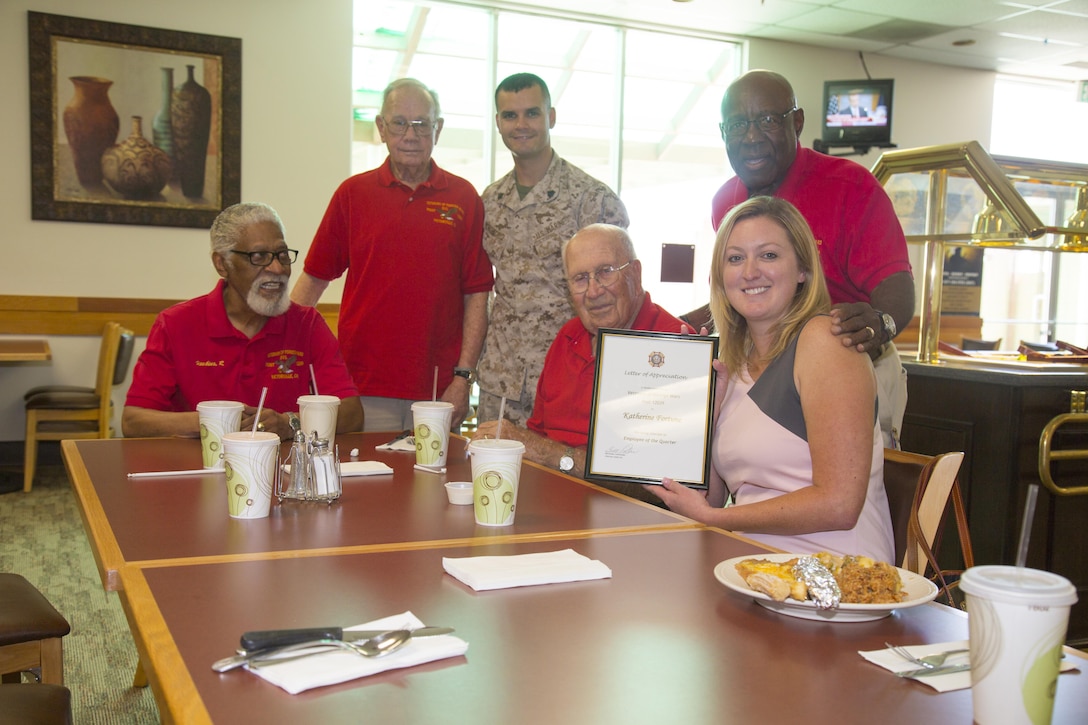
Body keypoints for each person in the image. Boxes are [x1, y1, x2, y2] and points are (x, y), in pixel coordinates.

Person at [649, 197, 894, 562]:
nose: (750, 272)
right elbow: (709, 499)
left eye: (768, 255)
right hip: (753, 567)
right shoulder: (731, 360)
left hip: (837, 576)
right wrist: (703, 415)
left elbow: (839, 504)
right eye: (735, 258)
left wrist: (718, 519)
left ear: (802, 270)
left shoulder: (825, 342)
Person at [688, 69, 914, 449]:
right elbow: (749, 286)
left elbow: (896, 287)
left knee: (854, 486)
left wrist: (881, 323)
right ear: (723, 132)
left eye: (768, 120)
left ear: (797, 122)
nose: (752, 136)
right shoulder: (725, 201)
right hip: (764, 368)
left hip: (848, 362)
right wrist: (687, 328)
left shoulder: (850, 187)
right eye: (738, 124)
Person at [291, 78, 493, 432]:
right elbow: (313, 279)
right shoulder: (352, 194)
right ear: (382, 129)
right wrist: (284, 349)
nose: (410, 135)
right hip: (362, 387)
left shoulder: (464, 198)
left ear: (438, 129)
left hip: (438, 392)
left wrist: (463, 378)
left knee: (431, 486)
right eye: (399, 123)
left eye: (422, 124)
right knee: (365, 483)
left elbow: (477, 294)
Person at [472, 224, 684, 503]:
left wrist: (550, 453)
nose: (593, 291)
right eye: (580, 279)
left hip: (619, 516)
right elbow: (537, 435)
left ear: (635, 273)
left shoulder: (674, 346)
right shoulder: (568, 336)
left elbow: (650, 483)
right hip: (549, 501)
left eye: (606, 272)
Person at [123, 202, 363, 441]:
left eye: (282, 255)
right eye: (259, 257)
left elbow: (352, 414)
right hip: (198, 467)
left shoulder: (307, 324)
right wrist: (216, 421)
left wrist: (289, 422)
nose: (277, 268)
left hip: (283, 470)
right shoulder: (176, 324)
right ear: (222, 264)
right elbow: (134, 421)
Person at [477, 73, 629, 427]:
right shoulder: (489, 202)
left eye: (532, 113)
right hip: (502, 382)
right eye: (510, 116)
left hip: (571, 376)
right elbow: (483, 290)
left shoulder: (591, 199)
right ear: (498, 122)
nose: (521, 124)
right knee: (492, 479)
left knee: (565, 479)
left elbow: (619, 295)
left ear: (552, 117)